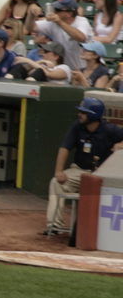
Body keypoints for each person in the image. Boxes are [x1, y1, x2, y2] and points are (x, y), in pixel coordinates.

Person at [45, 97, 123, 236]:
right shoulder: (77, 126)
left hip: (101, 175)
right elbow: (64, 148)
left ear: (94, 115)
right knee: (56, 182)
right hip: (79, 171)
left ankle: (102, 231)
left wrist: (121, 145)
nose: (79, 114)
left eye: (83, 112)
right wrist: (59, 171)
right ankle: (55, 225)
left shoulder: (110, 129)